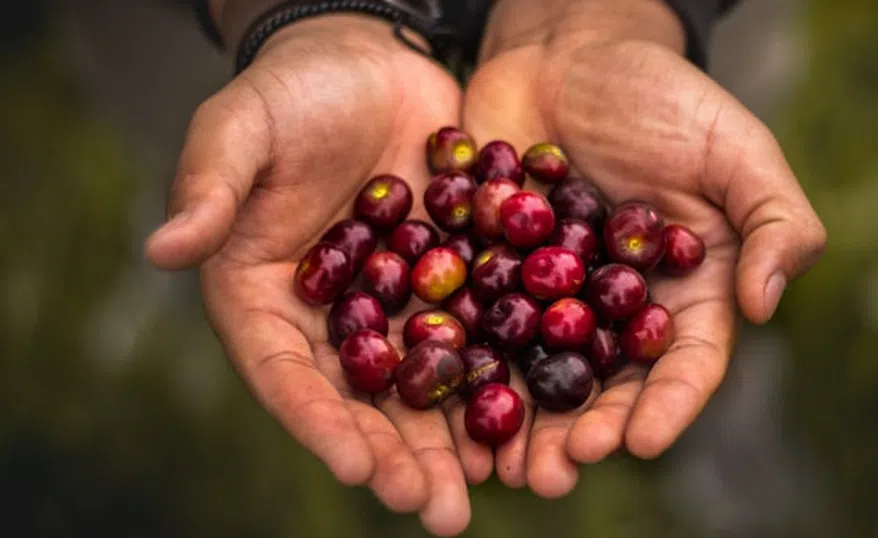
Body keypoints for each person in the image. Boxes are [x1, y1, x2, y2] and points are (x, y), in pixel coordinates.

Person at [145, 0, 827, 536]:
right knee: (207, 167)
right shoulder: (483, 267)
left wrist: (604, 14)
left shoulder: (543, 262)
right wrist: (292, 11)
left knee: (730, 90)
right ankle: (172, 311)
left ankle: (730, 440)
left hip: (661, 25)